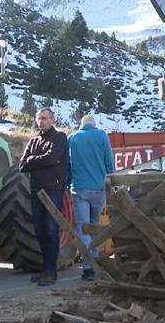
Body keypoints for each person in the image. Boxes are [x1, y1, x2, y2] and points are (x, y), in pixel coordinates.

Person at [18, 108, 68, 286]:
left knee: (51, 230)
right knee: (39, 230)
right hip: (35, 189)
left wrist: (34, 160)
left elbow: (52, 158)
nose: (42, 121)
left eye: (45, 118)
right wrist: (39, 160)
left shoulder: (60, 138)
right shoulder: (33, 141)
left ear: (52, 120)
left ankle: (50, 272)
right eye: (39, 118)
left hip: (53, 188)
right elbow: (22, 165)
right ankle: (44, 269)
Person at [67, 114, 115, 281]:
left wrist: (68, 183)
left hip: (79, 189)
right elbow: (109, 160)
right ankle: (94, 261)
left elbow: (68, 164)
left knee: (83, 227)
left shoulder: (72, 138)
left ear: (81, 125)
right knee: (94, 226)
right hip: (99, 188)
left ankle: (88, 267)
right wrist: (110, 179)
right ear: (94, 125)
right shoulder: (102, 135)